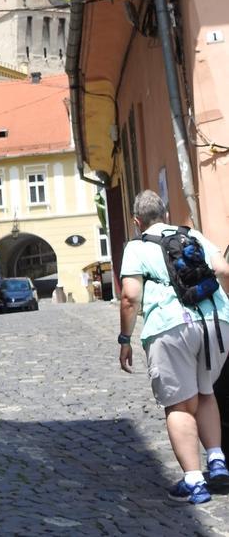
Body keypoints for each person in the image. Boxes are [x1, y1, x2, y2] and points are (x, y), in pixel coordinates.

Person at [119, 189, 229, 504]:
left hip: (170, 327)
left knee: (180, 405)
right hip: (217, 322)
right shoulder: (192, 234)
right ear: (166, 214)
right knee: (206, 392)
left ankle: (194, 481)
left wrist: (125, 339)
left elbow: (129, 296)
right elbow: (223, 270)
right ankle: (217, 461)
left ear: (136, 220)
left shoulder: (137, 246)